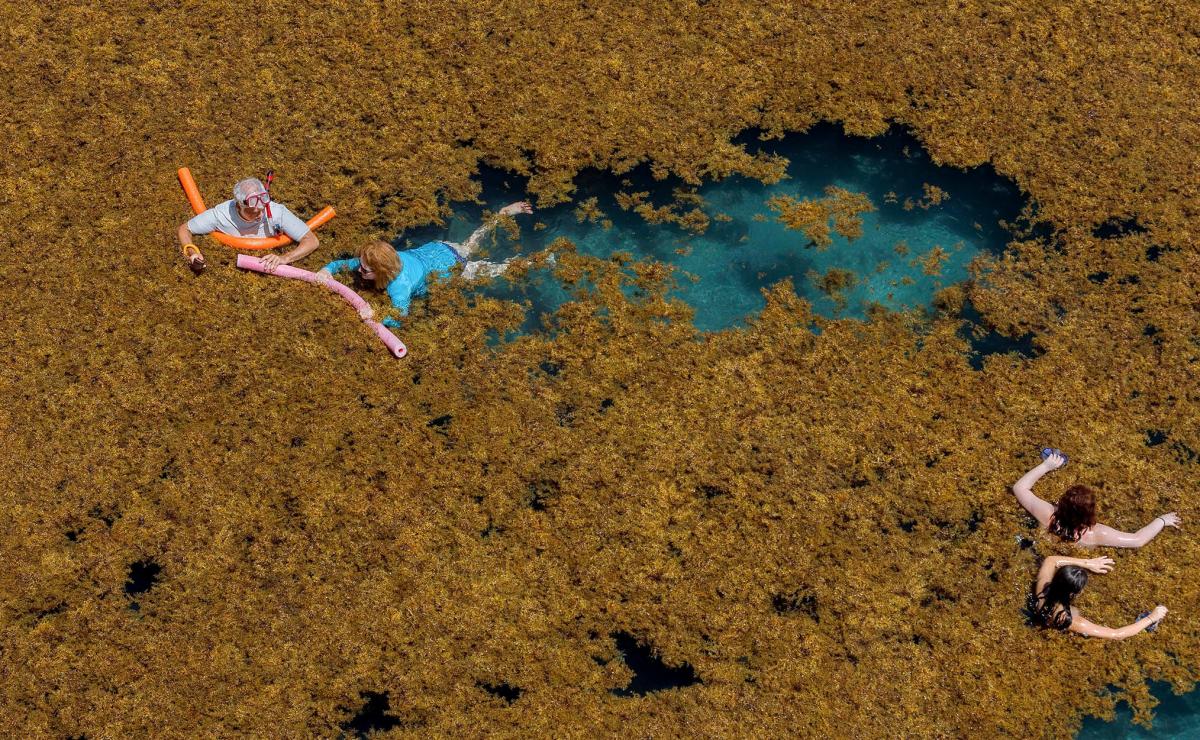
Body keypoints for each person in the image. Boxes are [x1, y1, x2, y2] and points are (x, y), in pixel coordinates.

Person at [315, 201, 534, 328]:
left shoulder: (400, 287)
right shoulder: (373, 260)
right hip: (440, 249)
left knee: (502, 269)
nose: (359, 270)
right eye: (360, 265)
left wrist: (377, 316)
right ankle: (502, 215)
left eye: (365, 270)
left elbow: (400, 317)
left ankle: (533, 260)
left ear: (383, 271)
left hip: (456, 267)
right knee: (472, 242)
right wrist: (326, 270)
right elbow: (342, 264)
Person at [1012, 451, 1181, 547]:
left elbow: (1019, 488)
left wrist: (1046, 466)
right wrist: (1162, 520)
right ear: (1090, 513)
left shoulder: (1047, 514)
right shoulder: (1096, 533)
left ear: (1061, 504)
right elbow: (1138, 540)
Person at [176, 177, 319, 272]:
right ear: (238, 206)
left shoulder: (277, 213)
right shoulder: (220, 215)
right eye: (252, 211)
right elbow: (185, 229)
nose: (260, 214)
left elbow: (312, 241)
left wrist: (284, 258)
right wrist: (192, 252)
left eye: (262, 207)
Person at [1029, 555, 1167, 639]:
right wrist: (1151, 618)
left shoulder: (1043, 587)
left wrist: (1087, 563)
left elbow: (1051, 560)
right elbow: (1116, 634)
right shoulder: (1069, 620)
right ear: (1073, 593)